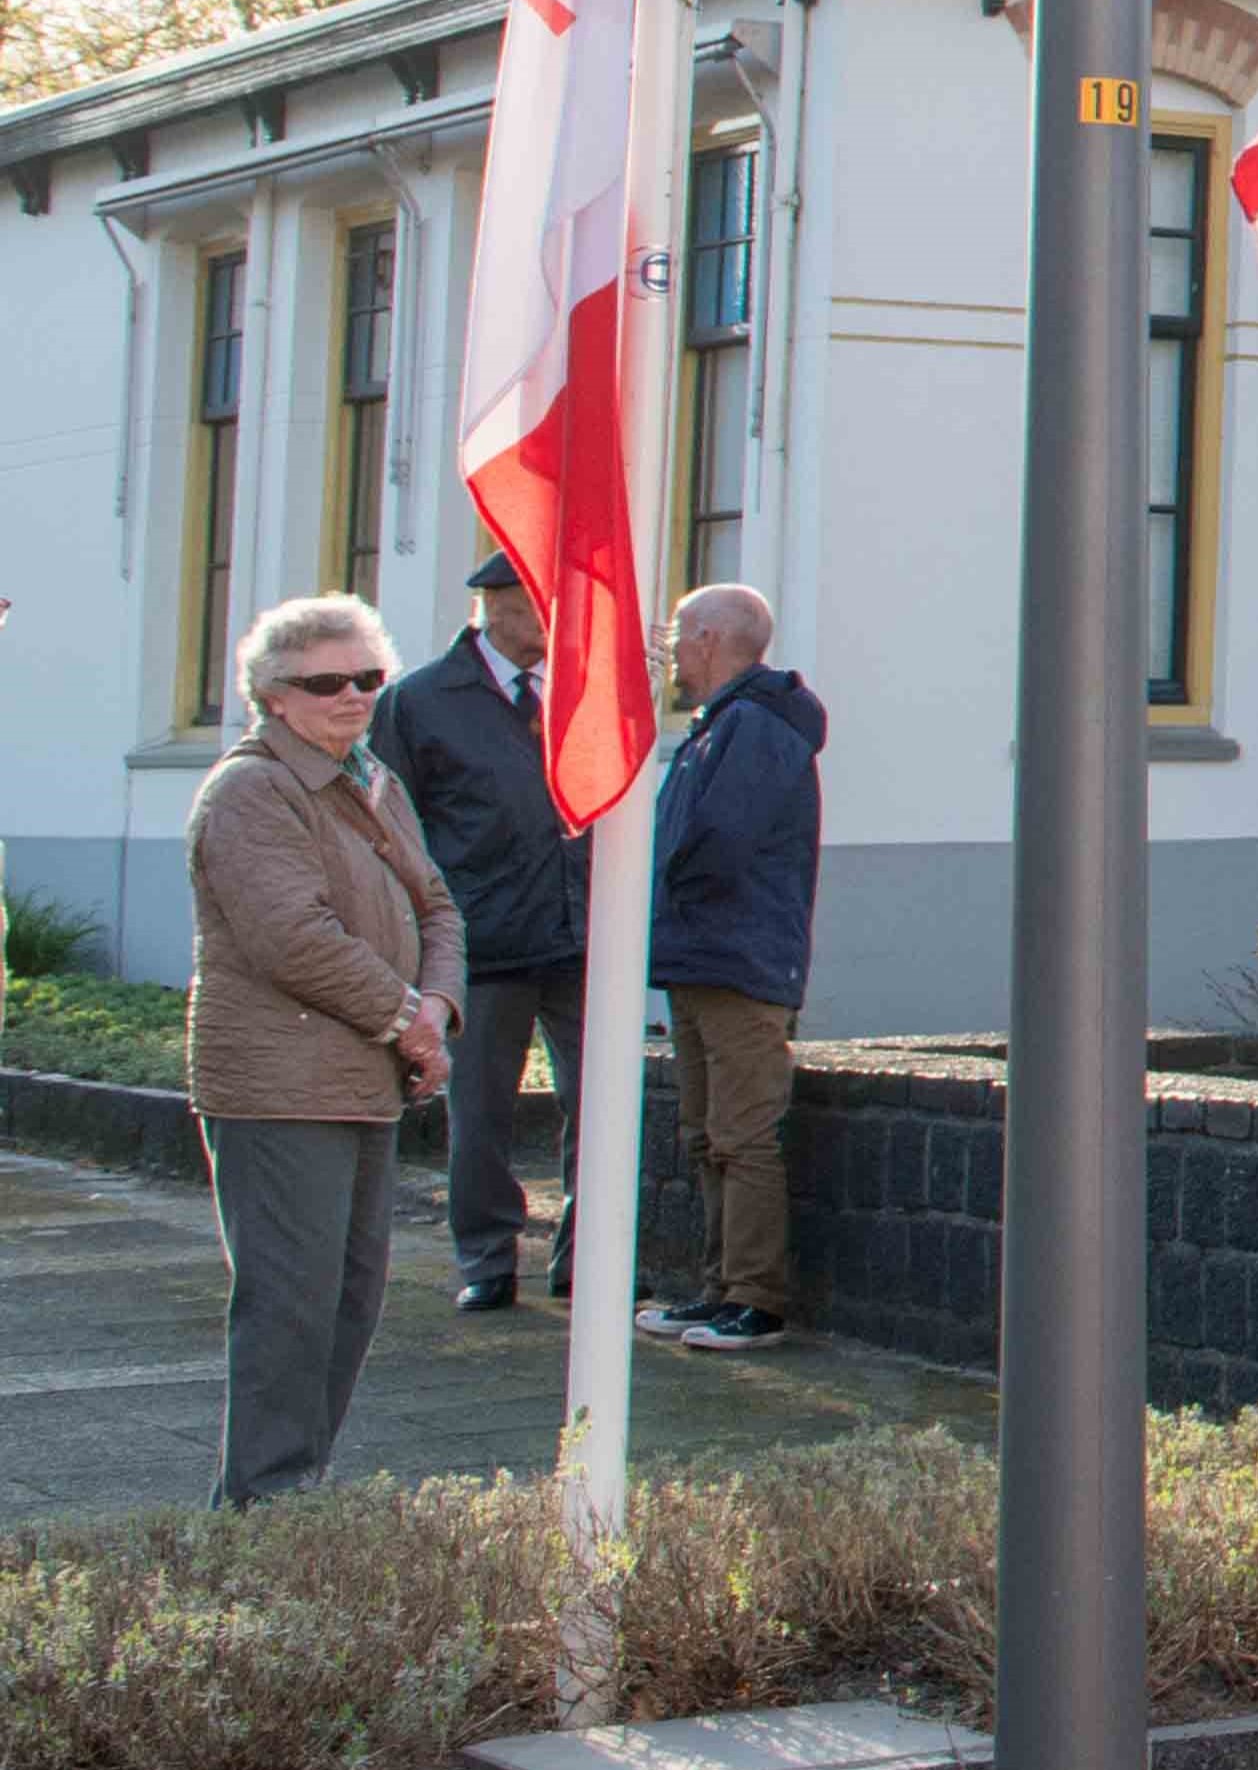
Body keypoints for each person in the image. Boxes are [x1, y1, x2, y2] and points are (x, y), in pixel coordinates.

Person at [184, 594, 461, 1505]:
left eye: (369, 678)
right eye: (326, 681)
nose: (354, 696)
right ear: (272, 694)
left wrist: (441, 1004)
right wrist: (407, 1019)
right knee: (289, 1306)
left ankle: (299, 1489)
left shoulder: (370, 780)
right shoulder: (250, 789)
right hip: (278, 1085)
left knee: (349, 1303)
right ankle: (263, 1503)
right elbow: (291, 937)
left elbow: (439, 907)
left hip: (362, 1081)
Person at [373, 554, 589, 1309]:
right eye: (538, 605)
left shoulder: (579, 687)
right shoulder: (421, 701)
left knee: (600, 1103)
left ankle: (586, 1258)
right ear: (494, 607)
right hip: (483, 941)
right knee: (482, 1111)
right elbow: (389, 826)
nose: (554, 621)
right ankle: (487, 1258)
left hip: (579, 932)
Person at [635, 583, 822, 1352]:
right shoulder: (721, 726)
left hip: (737, 962)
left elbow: (717, 838)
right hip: (701, 956)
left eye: (679, 636)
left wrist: (657, 890)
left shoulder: (753, 727)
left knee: (743, 1134)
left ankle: (755, 1297)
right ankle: (719, 1287)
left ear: (711, 639)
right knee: (706, 1131)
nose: (671, 653)